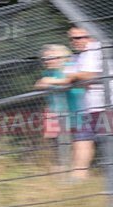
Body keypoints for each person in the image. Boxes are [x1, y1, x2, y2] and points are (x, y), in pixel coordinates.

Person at [39, 27, 112, 181]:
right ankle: (77, 179)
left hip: (106, 105)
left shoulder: (97, 50)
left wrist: (71, 78)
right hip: (89, 107)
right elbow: (67, 76)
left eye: (79, 38)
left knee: (102, 142)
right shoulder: (81, 56)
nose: (75, 42)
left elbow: (89, 75)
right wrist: (59, 79)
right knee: (81, 140)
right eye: (72, 39)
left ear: (89, 36)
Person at [34, 45, 83, 170]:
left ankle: (74, 168)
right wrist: (46, 81)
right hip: (55, 111)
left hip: (74, 110)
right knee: (53, 139)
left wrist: (50, 81)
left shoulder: (69, 67)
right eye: (45, 59)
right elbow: (38, 84)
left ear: (62, 57)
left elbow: (68, 81)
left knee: (76, 140)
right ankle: (61, 166)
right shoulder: (49, 72)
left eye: (51, 58)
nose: (47, 61)